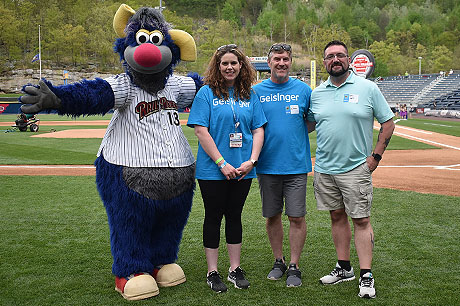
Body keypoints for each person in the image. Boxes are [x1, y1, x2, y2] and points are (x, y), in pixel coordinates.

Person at [308, 40, 395, 299]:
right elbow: (309, 125)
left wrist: (376, 157)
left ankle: (366, 275)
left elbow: (388, 123)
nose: (335, 60)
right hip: (324, 167)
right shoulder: (317, 93)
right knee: (336, 217)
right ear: (324, 62)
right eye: (330, 56)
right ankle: (344, 268)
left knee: (361, 220)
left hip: (356, 168)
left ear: (348, 60)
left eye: (340, 56)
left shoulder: (367, 88)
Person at [187, 44, 267, 293]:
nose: (229, 67)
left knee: (235, 216)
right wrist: (222, 163)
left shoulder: (249, 94)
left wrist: (251, 161)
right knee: (213, 217)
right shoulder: (206, 93)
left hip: (243, 168)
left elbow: (258, 129)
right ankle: (212, 271)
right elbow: (201, 130)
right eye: (225, 63)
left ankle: (234, 269)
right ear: (217, 67)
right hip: (213, 170)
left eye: (234, 63)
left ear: (241, 66)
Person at [252, 43, 313, 288]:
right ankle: (278, 260)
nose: (281, 63)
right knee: (272, 216)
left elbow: (310, 122)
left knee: (297, 217)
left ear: (290, 62)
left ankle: (294, 266)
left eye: (286, 59)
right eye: (277, 59)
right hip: (267, 166)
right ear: (269, 63)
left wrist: (292, 136)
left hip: (296, 165)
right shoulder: (256, 91)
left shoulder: (303, 90)